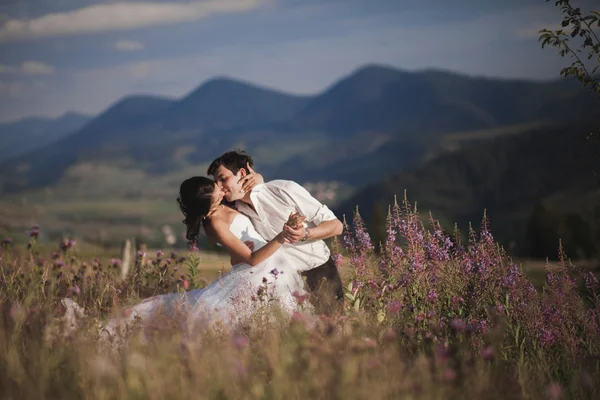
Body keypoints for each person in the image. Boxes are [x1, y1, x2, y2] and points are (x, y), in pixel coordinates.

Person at [62, 176, 312, 346]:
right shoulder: (215, 222)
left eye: (218, 184)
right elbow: (253, 259)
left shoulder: (221, 205)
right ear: (210, 203)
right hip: (259, 270)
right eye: (218, 191)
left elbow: (242, 192)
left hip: (272, 266)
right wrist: (283, 236)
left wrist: (255, 177)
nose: (223, 189)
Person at [208, 150, 344, 314]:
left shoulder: (283, 189)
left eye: (223, 179)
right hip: (280, 285)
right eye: (216, 182)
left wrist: (305, 234)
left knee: (333, 327)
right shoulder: (234, 212)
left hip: (318, 271)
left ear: (242, 173)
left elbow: (337, 226)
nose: (219, 186)